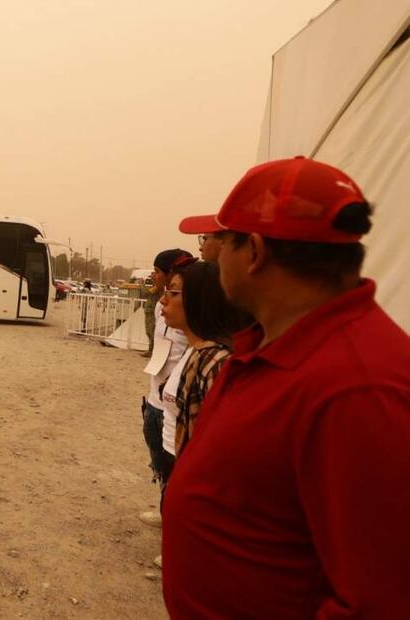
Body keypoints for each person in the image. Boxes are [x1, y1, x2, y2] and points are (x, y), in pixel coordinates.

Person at [163, 157, 410, 617]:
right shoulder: (275, 346)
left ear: (253, 252)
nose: (210, 258)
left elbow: (383, 599)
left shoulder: (359, 388)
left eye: (222, 242)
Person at [159, 259, 250, 458]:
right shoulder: (194, 349)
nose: (162, 300)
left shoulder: (216, 361)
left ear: (199, 300)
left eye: (173, 293)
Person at [138, 248, 192, 529]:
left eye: (158, 272)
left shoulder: (191, 311)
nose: (154, 278)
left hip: (174, 403)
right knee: (159, 459)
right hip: (154, 395)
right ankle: (164, 511)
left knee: (177, 468)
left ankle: (175, 526)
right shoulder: (161, 306)